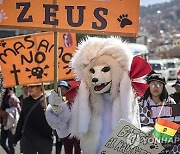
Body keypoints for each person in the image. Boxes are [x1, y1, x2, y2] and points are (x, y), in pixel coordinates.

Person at [139, 73, 179, 153]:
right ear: (148, 86)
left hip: (169, 146)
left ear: (163, 87)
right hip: (148, 146)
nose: (156, 87)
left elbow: (177, 123)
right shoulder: (141, 104)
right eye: (152, 84)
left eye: (159, 84)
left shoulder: (171, 102)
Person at [13, 83, 53, 154]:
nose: (29, 89)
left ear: (40, 87)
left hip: (45, 138)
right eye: (28, 87)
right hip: (28, 139)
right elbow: (22, 120)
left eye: (32, 87)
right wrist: (16, 137)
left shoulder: (48, 101)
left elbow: (57, 120)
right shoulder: (26, 101)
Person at [0, 88, 18, 154]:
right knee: (2, 142)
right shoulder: (3, 97)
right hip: (4, 123)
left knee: (11, 144)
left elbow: (18, 110)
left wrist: (6, 112)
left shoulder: (12, 98)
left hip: (11, 124)